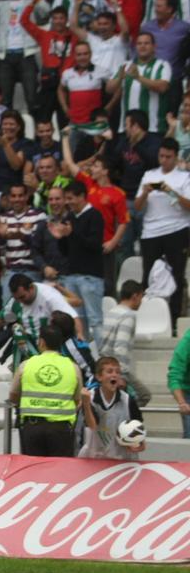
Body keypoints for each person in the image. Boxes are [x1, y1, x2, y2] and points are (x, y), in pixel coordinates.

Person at [134, 140, 190, 324]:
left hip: (177, 229)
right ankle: (148, 317)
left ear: (175, 157)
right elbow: (137, 207)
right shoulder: (149, 175)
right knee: (148, 275)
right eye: (161, 156)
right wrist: (145, 192)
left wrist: (170, 191)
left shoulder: (184, 177)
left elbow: (188, 206)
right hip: (150, 232)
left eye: (168, 157)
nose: (164, 160)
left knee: (176, 275)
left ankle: (173, 319)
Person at [9, 324, 86, 458]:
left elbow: (13, 395)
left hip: (32, 427)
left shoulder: (26, 365)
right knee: (58, 472)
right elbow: (78, 399)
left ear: (41, 342)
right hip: (61, 429)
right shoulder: (72, 367)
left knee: (33, 471)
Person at [50, 180, 105, 343]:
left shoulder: (95, 215)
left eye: (70, 198)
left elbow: (95, 245)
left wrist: (72, 233)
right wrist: (60, 238)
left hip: (90, 276)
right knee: (77, 320)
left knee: (95, 319)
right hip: (71, 275)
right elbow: (66, 251)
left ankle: (102, 357)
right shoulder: (69, 217)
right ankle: (85, 354)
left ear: (82, 196)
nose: (68, 202)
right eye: (66, 198)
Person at [80, 356, 145, 460]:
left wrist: (139, 442)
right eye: (110, 371)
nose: (114, 375)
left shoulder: (128, 400)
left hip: (121, 458)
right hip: (94, 457)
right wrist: (86, 404)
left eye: (118, 372)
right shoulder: (90, 398)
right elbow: (92, 425)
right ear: (99, 377)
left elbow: (137, 425)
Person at [100, 281, 151, 406]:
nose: (141, 301)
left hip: (105, 365)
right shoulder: (128, 316)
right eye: (141, 297)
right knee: (144, 395)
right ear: (135, 296)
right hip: (117, 368)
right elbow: (120, 346)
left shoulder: (111, 312)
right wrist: (119, 374)